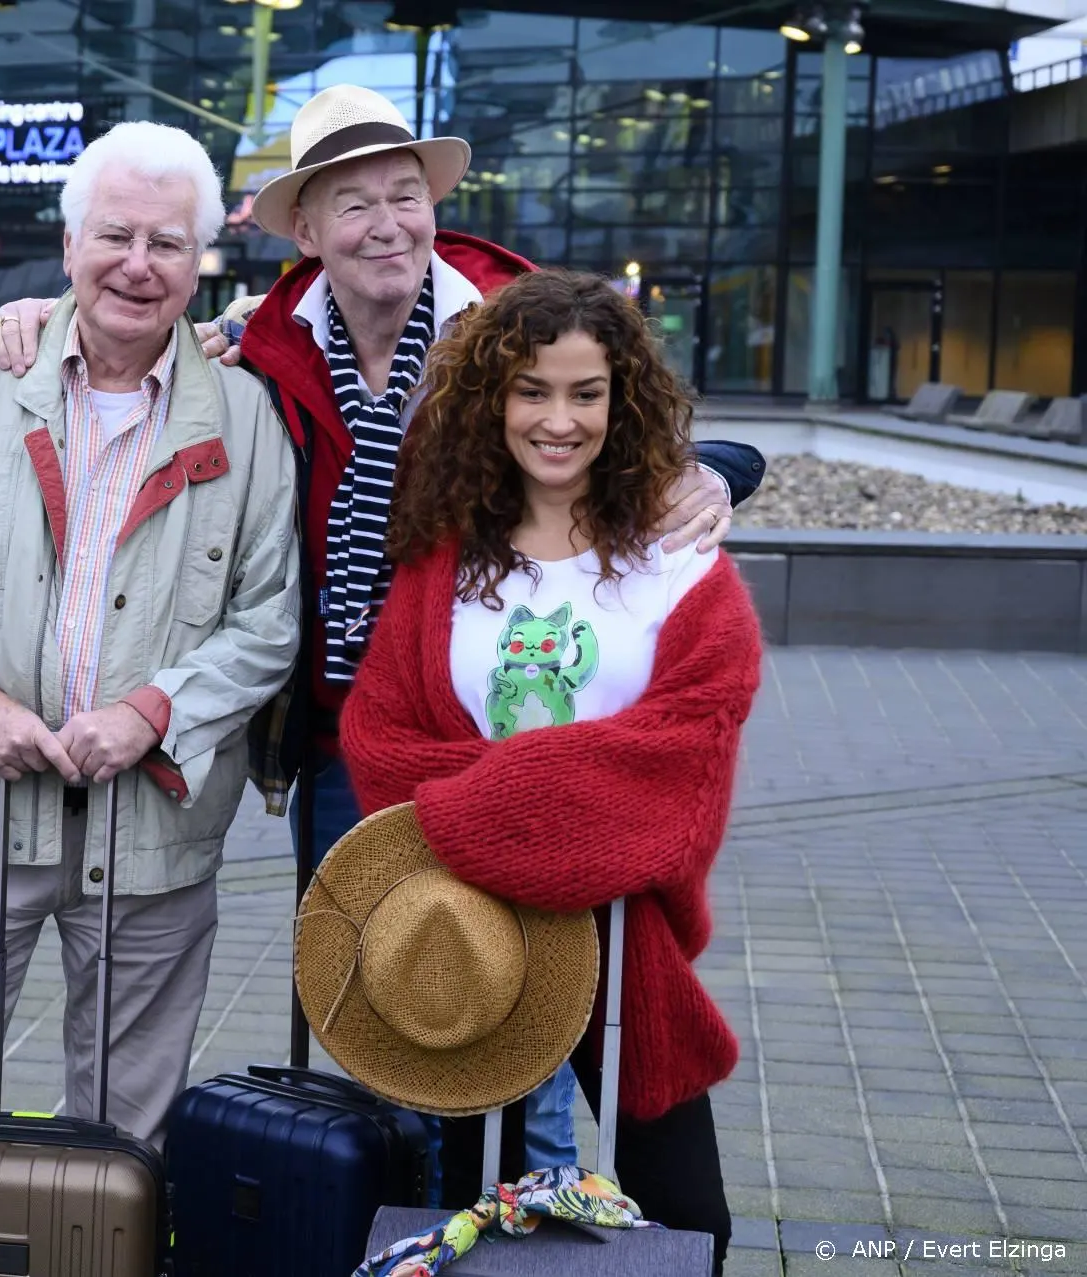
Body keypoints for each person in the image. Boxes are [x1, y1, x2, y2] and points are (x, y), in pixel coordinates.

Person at [0, 84, 765, 1173]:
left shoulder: (510, 315)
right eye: (354, 205)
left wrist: (717, 470)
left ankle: (525, 1199)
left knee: (528, 997)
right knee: (415, 990)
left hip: (506, 720)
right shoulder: (262, 341)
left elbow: (619, 414)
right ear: (307, 232)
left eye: (405, 194)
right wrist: (27, 318)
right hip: (348, 734)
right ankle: (424, 1211)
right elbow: (131, 355)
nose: (386, 222)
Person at [0, 120, 300, 1275]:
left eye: (168, 241)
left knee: (128, 1135)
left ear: (203, 259)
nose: (138, 263)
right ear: (70, 240)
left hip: (154, 832)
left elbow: (268, 621)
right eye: (116, 235)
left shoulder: (245, 419)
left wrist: (152, 713)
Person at [339, 269, 763, 1271]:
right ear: (496, 400)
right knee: (455, 1207)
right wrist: (558, 798)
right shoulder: (446, 554)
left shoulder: (678, 554)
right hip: (462, 929)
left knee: (693, 1218)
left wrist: (486, 800)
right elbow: (379, 737)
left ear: (625, 400)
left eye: (586, 391)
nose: (559, 419)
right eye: (533, 390)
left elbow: (686, 756)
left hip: (621, 942)